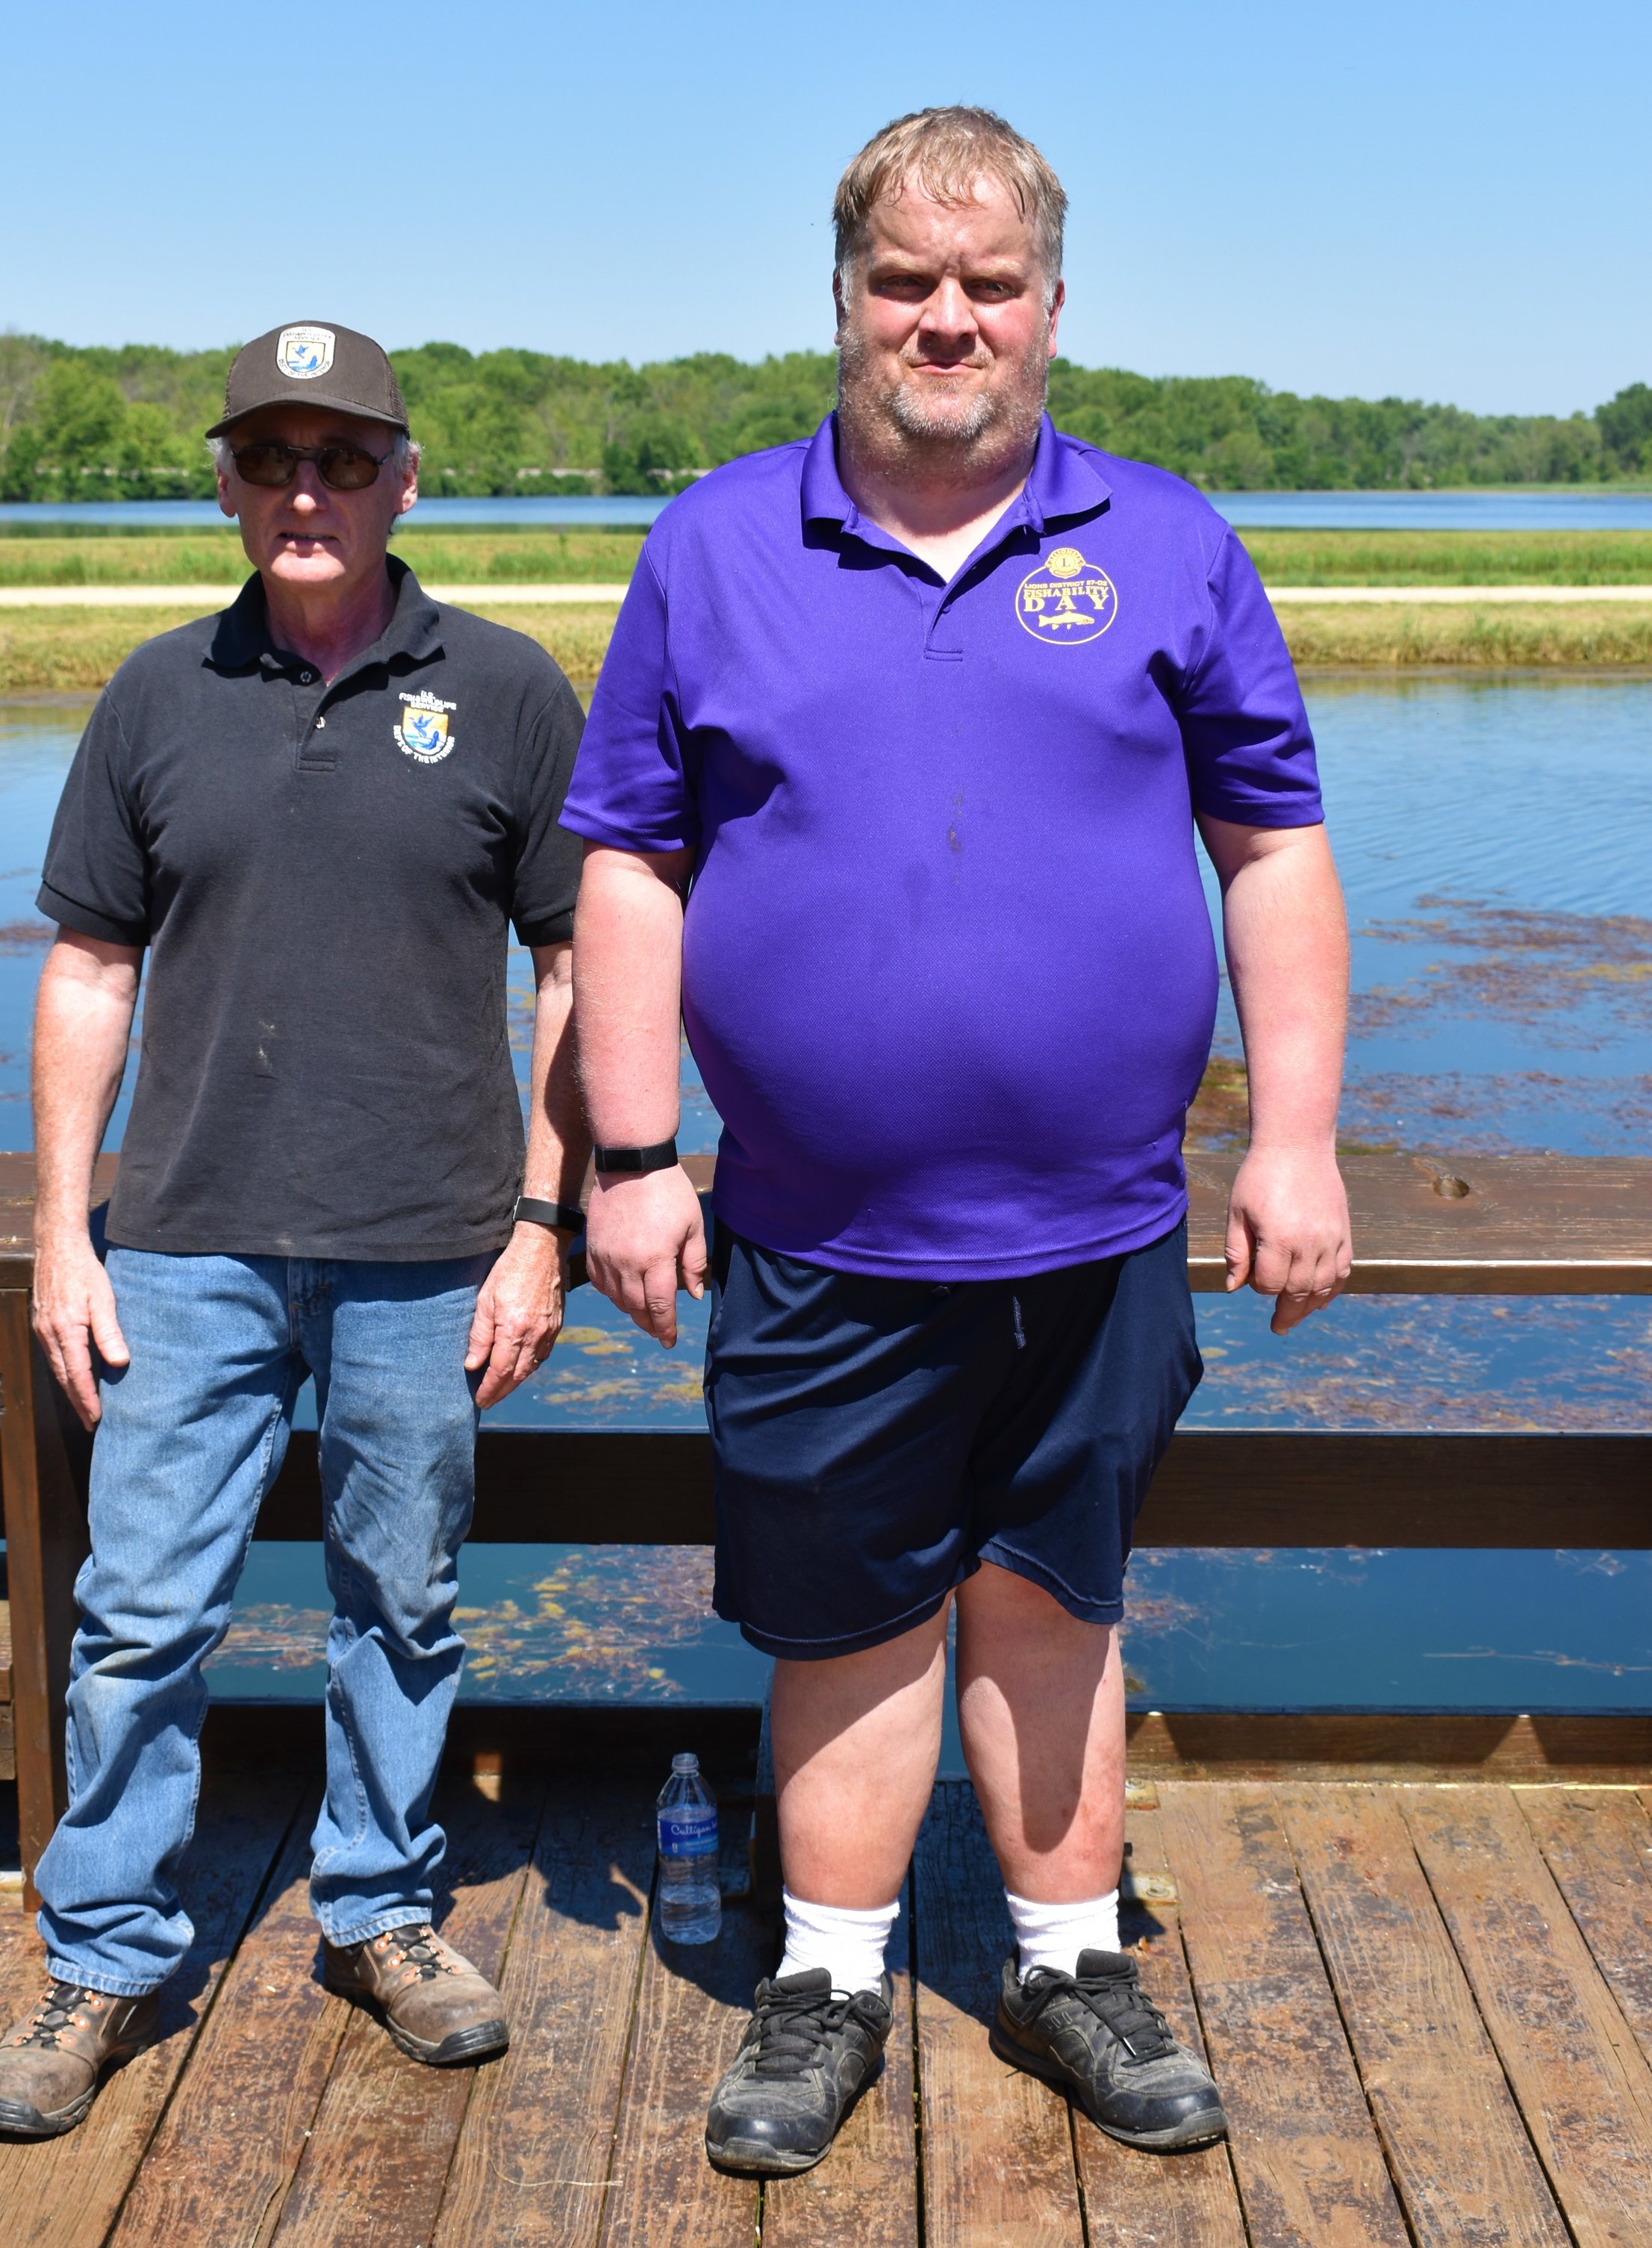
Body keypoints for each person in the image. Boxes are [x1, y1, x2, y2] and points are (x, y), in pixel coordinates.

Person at [564, 109, 1350, 2174]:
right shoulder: (713, 543)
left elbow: (1267, 842)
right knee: (840, 1619)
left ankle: (1064, 1955)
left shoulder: (1166, 538)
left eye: (986, 285)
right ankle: (823, 1976)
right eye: (904, 281)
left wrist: (1296, 1137)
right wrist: (630, 1147)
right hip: (816, 1232)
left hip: (1095, 1229)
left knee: (1051, 1597)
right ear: (841, 301)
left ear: (1050, 309)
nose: (945, 318)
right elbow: (630, 866)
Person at [0, 321, 590, 2139]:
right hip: (181, 1242)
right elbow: (88, 967)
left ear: (404, 478)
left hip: (427, 1241)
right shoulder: (156, 695)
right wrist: (57, 1234)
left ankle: (383, 1912)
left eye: (339, 459)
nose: (301, 493)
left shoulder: (504, 688)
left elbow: (577, 965)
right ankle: (103, 1956)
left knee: (398, 1608)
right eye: (267, 462)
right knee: (139, 1615)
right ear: (229, 486)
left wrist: (544, 1218)